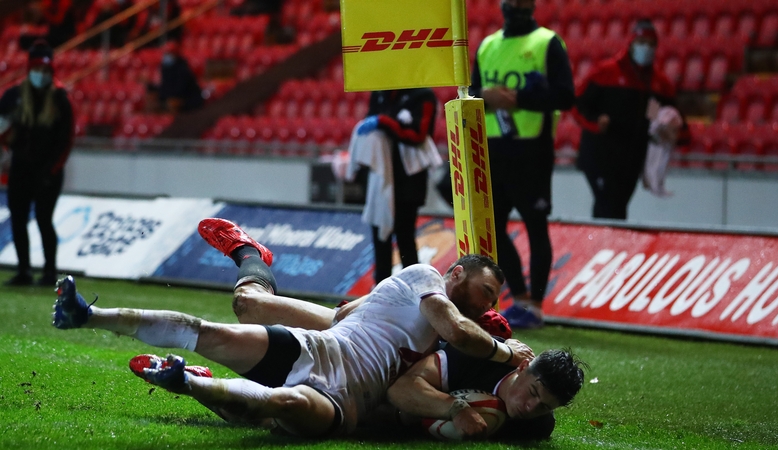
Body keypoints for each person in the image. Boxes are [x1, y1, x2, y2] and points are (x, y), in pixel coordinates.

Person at [52, 217, 533, 437]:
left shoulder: (475, 330)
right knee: (244, 306)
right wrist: (505, 352)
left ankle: (197, 382)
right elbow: (456, 333)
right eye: (485, 293)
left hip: (348, 353)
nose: (487, 305)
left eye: (491, 301)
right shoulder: (435, 290)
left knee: (272, 404)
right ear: (455, 276)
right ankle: (248, 255)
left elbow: (421, 380)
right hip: (336, 336)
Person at [469, 0, 575, 329]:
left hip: (532, 149)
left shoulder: (547, 42)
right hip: (494, 149)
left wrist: (519, 99)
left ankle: (537, 306)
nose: (515, 5)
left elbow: (565, 96)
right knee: (495, 230)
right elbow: (470, 92)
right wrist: (486, 97)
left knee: (535, 226)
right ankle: (519, 298)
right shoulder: (488, 45)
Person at [572, 19, 686, 220]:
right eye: (642, 42)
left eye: (652, 45)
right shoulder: (605, 73)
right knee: (609, 207)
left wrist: (672, 133)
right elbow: (576, 105)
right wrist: (596, 123)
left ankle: (608, 248)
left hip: (631, 161)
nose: (647, 49)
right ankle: (606, 247)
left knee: (616, 209)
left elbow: (679, 126)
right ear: (631, 43)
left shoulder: (659, 84)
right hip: (600, 157)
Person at [388, 344, 586, 440]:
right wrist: (456, 409)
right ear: (523, 367)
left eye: (544, 407)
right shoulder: (478, 356)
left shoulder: (538, 427)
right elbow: (400, 386)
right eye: (533, 392)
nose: (530, 407)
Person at [0, 40, 74, 286]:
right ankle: (24, 271)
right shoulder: (14, 96)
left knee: (44, 219)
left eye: (44, 70)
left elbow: (67, 139)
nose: (40, 75)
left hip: (47, 171)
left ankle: (49, 272)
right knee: (19, 219)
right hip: (21, 167)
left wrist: (52, 170)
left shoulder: (60, 98)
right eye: (37, 68)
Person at [352, 89, 440, 285]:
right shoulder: (380, 92)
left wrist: (385, 122)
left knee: (405, 237)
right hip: (380, 177)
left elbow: (418, 135)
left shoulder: (423, 95)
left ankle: (413, 290)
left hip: (408, 179)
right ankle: (380, 290)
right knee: (379, 238)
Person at [159, 40, 203, 114]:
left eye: (169, 54)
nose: (166, 56)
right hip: (174, 99)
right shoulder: (165, 68)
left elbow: (181, 89)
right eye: (165, 53)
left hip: (189, 102)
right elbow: (165, 86)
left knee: (173, 103)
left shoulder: (182, 69)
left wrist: (173, 99)